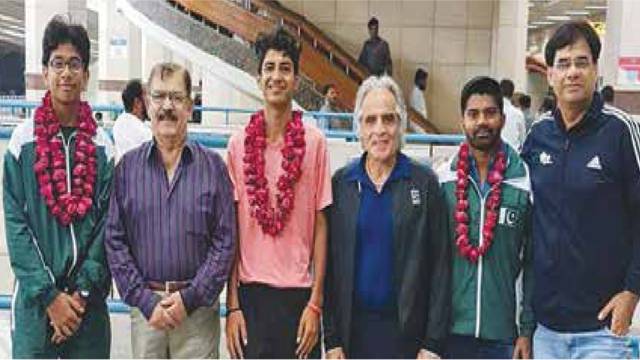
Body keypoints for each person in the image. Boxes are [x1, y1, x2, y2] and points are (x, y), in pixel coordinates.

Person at [522, 21, 640, 358]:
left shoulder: (620, 131)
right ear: (549, 75)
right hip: (546, 331)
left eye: (581, 62)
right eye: (563, 63)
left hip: (602, 331)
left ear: (595, 70)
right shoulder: (537, 136)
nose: (572, 72)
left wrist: (632, 291)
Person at [105, 62, 236, 358]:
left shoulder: (213, 168)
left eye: (176, 98)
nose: (167, 106)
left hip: (198, 314)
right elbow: (115, 240)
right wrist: (145, 301)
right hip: (147, 313)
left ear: (190, 107)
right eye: (159, 96)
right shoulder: (127, 170)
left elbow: (224, 242)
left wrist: (189, 299)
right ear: (147, 104)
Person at [3, 16, 114, 358]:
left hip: (88, 310)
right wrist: (50, 298)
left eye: (75, 64)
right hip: (37, 306)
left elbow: (108, 227)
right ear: (45, 71)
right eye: (58, 63)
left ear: (86, 75)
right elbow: (16, 225)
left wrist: (79, 296)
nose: (66, 73)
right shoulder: (22, 144)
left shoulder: (103, 146)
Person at [323, 75, 450, 359]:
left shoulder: (424, 183)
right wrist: (332, 339)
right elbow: (330, 270)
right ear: (359, 127)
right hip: (352, 336)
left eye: (388, 119)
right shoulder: (342, 184)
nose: (380, 130)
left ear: (401, 124)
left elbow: (441, 268)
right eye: (370, 120)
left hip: (407, 339)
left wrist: (432, 343)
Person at [225, 27, 332, 359]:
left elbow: (321, 224)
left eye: (285, 68)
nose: (276, 76)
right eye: (269, 68)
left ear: (296, 79)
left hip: (298, 299)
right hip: (251, 298)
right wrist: (232, 307)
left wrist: (315, 303)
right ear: (258, 78)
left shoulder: (314, 143)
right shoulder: (238, 144)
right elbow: (231, 231)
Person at [439, 76, 533, 359]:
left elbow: (533, 261)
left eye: (490, 113)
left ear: (503, 119)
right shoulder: (443, 179)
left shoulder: (523, 181)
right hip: (450, 333)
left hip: (503, 336)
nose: (482, 121)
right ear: (462, 121)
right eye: (473, 114)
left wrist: (526, 330)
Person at [113, 79, 151, 163]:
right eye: (147, 95)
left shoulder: (120, 121)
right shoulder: (141, 131)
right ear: (137, 103)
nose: (151, 102)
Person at [499, 79, 526, 151]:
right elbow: (523, 140)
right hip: (514, 154)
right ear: (512, 94)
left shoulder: (492, 112)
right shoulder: (518, 113)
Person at [409, 68, 428, 133]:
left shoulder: (419, 92)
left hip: (420, 126)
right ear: (419, 80)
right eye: (424, 80)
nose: (425, 83)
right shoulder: (416, 93)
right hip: (418, 126)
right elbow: (417, 113)